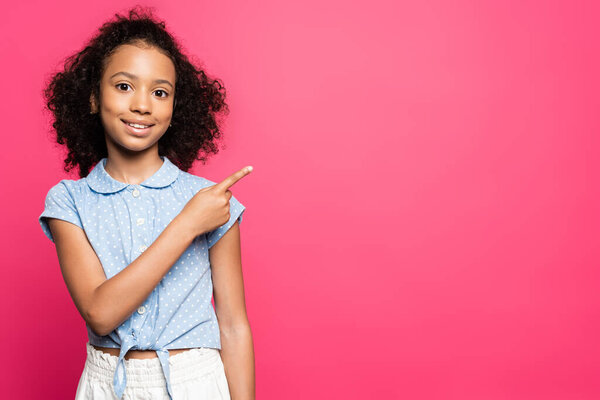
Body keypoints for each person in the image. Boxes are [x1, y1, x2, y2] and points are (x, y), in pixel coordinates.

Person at [38, 6, 255, 400]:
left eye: (160, 92)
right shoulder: (68, 201)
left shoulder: (211, 201)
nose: (142, 105)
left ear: (176, 109)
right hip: (107, 383)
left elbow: (234, 325)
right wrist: (187, 224)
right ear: (92, 97)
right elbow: (100, 313)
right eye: (124, 86)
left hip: (196, 382)